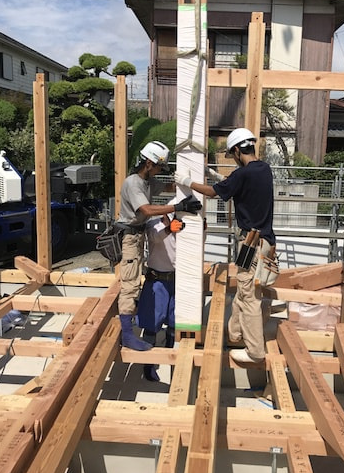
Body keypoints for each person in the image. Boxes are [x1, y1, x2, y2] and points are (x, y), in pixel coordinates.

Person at [175, 128, 277, 364]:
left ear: (237, 150)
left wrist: (187, 182)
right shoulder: (264, 169)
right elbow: (235, 185)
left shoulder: (242, 175)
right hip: (264, 242)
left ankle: (255, 352)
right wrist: (213, 174)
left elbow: (213, 193)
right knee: (245, 287)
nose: (233, 158)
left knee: (249, 296)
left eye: (232, 154)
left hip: (250, 244)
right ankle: (236, 334)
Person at [117, 140, 202, 351]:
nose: (159, 171)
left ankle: (129, 334)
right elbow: (146, 210)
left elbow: (169, 187)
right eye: (159, 167)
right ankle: (127, 335)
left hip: (137, 236)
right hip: (129, 237)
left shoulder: (147, 182)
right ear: (149, 163)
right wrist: (178, 206)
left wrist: (187, 181)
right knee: (130, 285)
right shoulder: (133, 183)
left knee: (134, 282)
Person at [137, 199, 182, 381]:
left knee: (174, 322)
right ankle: (148, 366)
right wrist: (169, 228)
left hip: (177, 281)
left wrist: (201, 229)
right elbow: (155, 238)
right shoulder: (154, 224)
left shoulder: (184, 227)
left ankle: (170, 361)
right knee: (151, 324)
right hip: (157, 281)